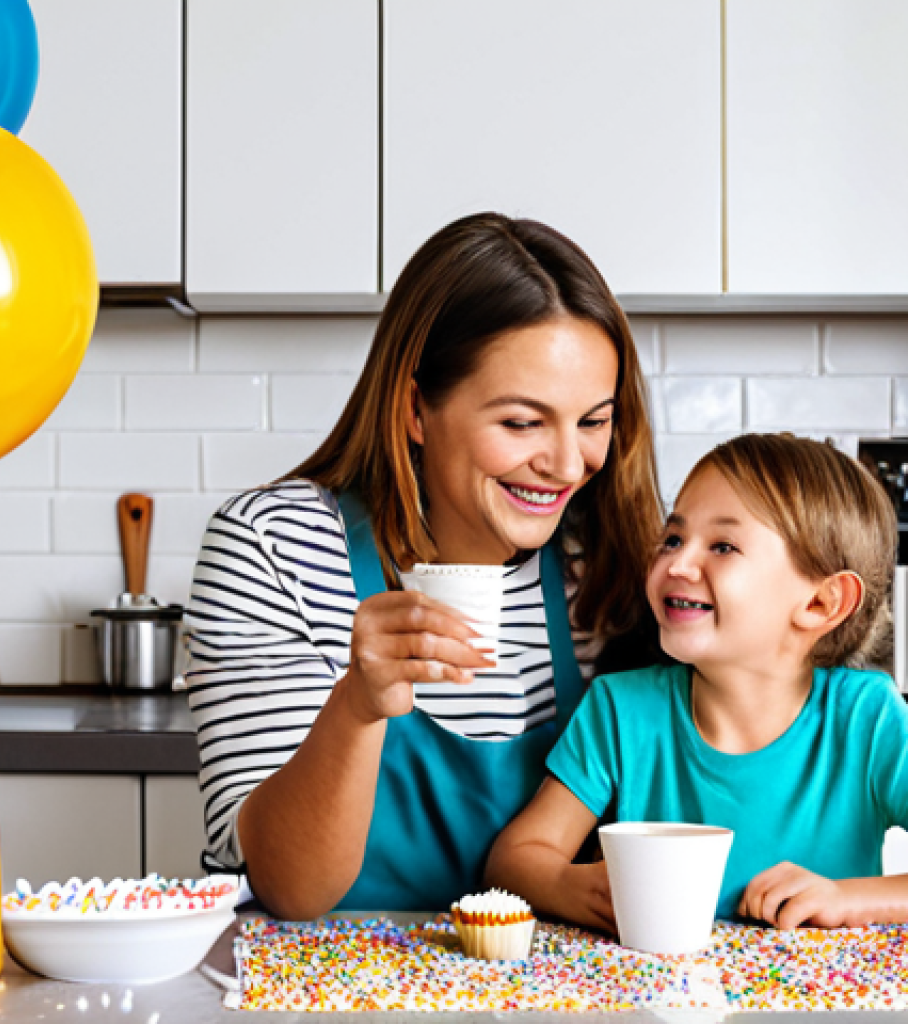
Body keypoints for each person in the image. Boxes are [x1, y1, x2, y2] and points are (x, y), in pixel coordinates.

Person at [185, 212, 662, 920]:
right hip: (316, 993)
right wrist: (358, 705)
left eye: (593, 421)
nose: (568, 465)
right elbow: (289, 886)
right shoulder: (274, 548)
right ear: (416, 409)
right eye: (522, 423)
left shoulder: (604, 568)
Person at [487, 433, 908, 931]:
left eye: (723, 546)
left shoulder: (866, 718)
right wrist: (569, 885)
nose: (677, 564)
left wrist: (845, 899)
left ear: (821, 603)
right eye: (673, 539)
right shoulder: (622, 711)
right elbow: (515, 859)